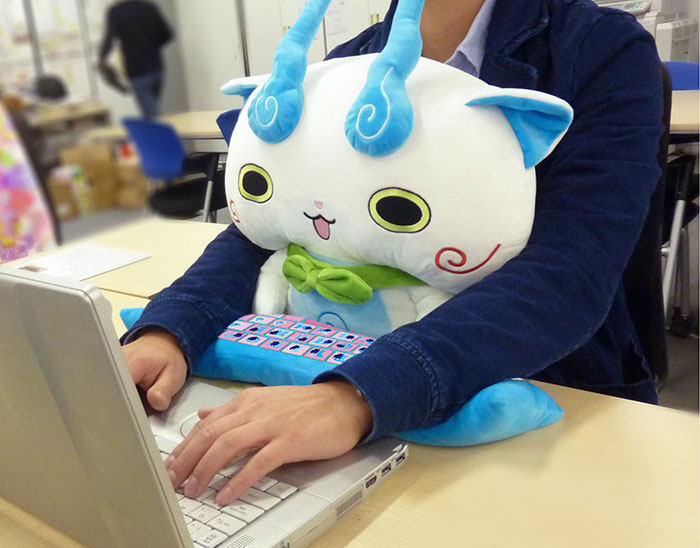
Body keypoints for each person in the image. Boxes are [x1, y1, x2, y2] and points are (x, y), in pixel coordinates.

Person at [121, 0, 664, 506]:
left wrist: (357, 396)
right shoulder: (347, 63)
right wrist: (170, 328)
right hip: (349, 377)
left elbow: (568, 272)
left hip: (538, 394)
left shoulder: (597, 49)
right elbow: (266, 228)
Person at [99, 0, 173, 118]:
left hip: (137, 70)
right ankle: (157, 128)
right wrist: (151, 46)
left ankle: (163, 130)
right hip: (157, 67)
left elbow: (109, 39)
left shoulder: (116, 12)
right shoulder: (149, 7)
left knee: (152, 114)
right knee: (152, 108)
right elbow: (168, 35)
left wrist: (101, 58)